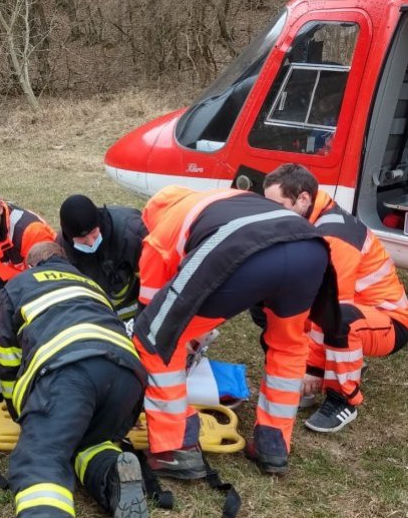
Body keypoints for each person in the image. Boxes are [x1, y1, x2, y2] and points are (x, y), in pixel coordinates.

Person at [0, 242, 148, 518]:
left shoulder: (18, 286)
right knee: (89, 443)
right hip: (127, 375)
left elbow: (9, 363)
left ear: (31, 264)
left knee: (42, 458)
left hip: (69, 369)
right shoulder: (89, 283)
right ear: (64, 261)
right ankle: (114, 475)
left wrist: (25, 414)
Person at [133, 185, 339, 478]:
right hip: (309, 247)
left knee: (154, 337)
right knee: (288, 345)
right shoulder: (221, 198)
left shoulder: (158, 234)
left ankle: (174, 447)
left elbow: (154, 316)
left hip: (243, 248)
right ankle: (273, 444)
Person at [262, 163, 408, 432]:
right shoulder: (308, 218)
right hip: (356, 310)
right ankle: (319, 369)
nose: (273, 214)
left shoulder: (335, 236)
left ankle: (343, 399)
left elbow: (332, 308)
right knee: (274, 300)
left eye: (279, 205)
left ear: (303, 198)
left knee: (342, 320)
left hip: (390, 321)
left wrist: (313, 370)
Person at [55, 194, 147, 320]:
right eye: (82, 240)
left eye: (94, 233)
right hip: (101, 318)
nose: (91, 243)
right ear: (70, 238)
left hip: (141, 309)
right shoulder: (62, 251)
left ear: (100, 222)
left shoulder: (132, 233)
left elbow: (155, 283)